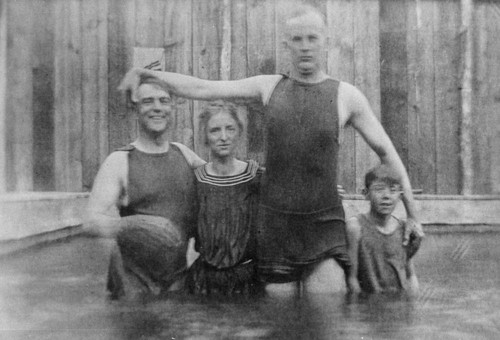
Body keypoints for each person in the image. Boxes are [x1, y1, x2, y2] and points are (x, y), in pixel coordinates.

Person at [118, 4, 424, 296]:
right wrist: (148, 75)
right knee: (279, 316)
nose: (305, 46)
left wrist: (412, 215)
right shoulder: (269, 87)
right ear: (286, 45)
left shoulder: (346, 96)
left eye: (312, 38)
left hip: (324, 225)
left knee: (328, 303)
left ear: (325, 43)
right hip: (277, 227)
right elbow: (204, 87)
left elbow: (388, 152)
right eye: (297, 39)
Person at [86, 77, 205, 299]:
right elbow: (91, 222)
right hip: (132, 286)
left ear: (172, 107)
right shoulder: (120, 160)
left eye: (164, 101)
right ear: (135, 109)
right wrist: (137, 225)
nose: (157, 108)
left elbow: (221, 183)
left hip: (177, 281)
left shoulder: (184, 154)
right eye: (148, 101)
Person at [186, 101, 263, 296]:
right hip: (204, 281)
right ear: (205, 136)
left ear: (239, 132)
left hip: (248, 279)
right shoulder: (196, 181)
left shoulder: (255, 176)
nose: (223, 137)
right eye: (214, 130)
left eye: (230, 129)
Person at [346, 165, 420, 294]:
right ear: (366, 193)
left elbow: (411, 275)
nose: (386, 196)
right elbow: (351, 279)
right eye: (379, 189)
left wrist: (411, 305)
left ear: (400, 195)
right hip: (368, 304)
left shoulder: (404, 229)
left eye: (393, 190)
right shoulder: (355, 227)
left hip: (398, 304)